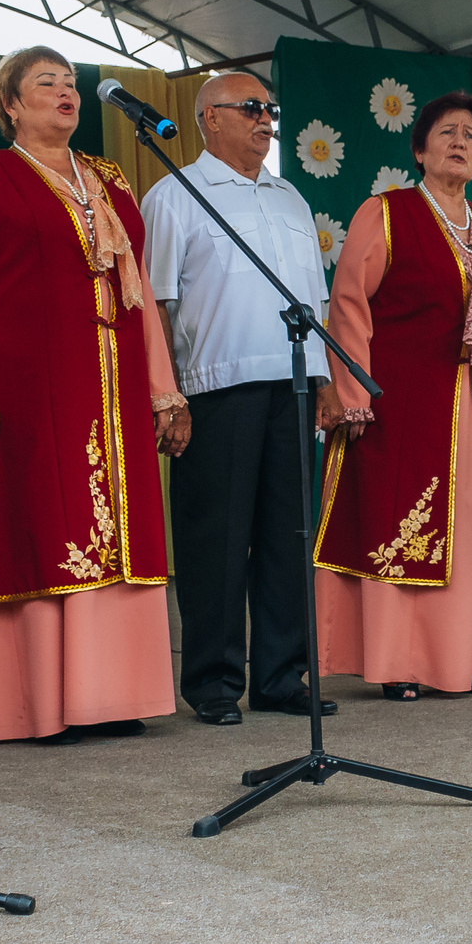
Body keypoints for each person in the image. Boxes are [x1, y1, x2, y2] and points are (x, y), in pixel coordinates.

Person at [0, 48, 187, 741]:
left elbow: (139, 297)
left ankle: (114, 696)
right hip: (29, 382)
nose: (65, 91)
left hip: (115, 382)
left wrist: (164, 392)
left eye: (71, 82)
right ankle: (47, 702)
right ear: (12, 106)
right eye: (45, 82)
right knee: (46, 523)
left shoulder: (112, 180)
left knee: (123, 530)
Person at [141, 71, 336, 724]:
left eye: (270, 107)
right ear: (209, 119)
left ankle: (282, 675)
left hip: (295, 380)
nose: (265, 117)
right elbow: (158, 304)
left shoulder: (290, 198)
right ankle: (215, 682)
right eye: (250, 107)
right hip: (215, 387)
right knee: (214, 540)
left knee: (289, 535)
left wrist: (328, 381)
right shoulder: (174, 194)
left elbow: (318, 302)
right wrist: (167, 393)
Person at [314, 91, 472, 701]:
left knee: (471, 528)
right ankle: (401, 661)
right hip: (399, 396)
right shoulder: (387, 211)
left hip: (470, 399)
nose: (460, 142)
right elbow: (348, 302)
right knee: (402, 521)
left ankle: (470, 659)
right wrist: (353, 392)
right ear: (419, 148)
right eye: (447, 132)